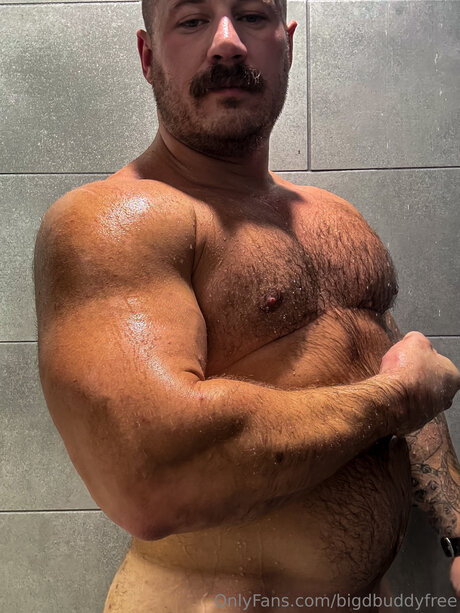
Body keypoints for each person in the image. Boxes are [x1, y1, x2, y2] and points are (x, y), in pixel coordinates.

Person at [33, 0, 460, 610]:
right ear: (148, 57)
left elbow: (392, 364)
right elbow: (152, 476)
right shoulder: (112, 223)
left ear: (287, 45)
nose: (227, 42)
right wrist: (397, 399)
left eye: (253, 16)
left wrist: (457, 531)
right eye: (192, 20)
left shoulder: (336, 217)